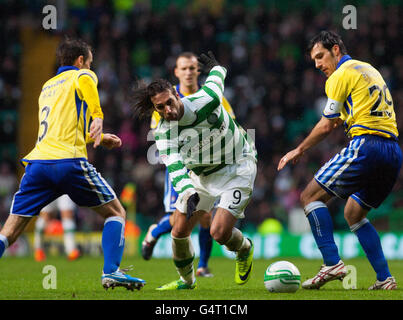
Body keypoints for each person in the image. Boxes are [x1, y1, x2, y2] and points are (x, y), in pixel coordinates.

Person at [0, 38, 145, 291]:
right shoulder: (82, 76)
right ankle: (111, 272)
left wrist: (96, 137)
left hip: (37, 165)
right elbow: (88, 90)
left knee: (9, 232)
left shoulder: (47, 87)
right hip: (68, 162)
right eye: (89, 62)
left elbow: (61, 129)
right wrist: (98, 117)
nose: (90, 67)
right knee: (116, 212)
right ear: (80, 61)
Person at [278, 31, 402, 290]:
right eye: (313, 60)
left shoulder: (340, 75)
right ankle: (384, 278)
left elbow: (327, 126)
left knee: (309, 197)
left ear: (336, 50)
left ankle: (332, 263)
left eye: (320, 56)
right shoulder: (368, 69)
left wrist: (298, 150)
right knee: (353, 213)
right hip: (392, 151)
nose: (318, 64)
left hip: (367, 144)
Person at [132, 51, 257, 290]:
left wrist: (217, 66)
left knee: (218, 232)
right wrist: (189, 193)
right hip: (201, 176)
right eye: (160, 108)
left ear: (176, 94)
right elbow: (176, 168)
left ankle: (244, 249)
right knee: (178, 232)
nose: (168, 110)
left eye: (169, 102)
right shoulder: (163, 132)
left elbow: (217, 79)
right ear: (155, 110)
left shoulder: (206, 98)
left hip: (238, 165)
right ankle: (187, 281)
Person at [34, 195, 80, 262]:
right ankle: (39, 250)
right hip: (48, 186)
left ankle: (71, 250)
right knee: (44, 216)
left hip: (65, 187)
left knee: (67, 215)